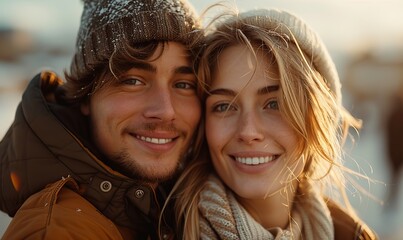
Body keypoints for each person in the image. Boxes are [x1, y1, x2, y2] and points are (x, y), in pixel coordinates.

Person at [166, 8, 378, 240]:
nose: (248, 132)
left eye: (274, 104)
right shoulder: (161, 230)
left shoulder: (352, 235)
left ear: (316, 118)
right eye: (224, 106)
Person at [0, 0, 204, 239]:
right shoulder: (58, 230)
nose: (166, 110)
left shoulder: (179, 208)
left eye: (183, 85)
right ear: (86, 97)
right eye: (132, 81)